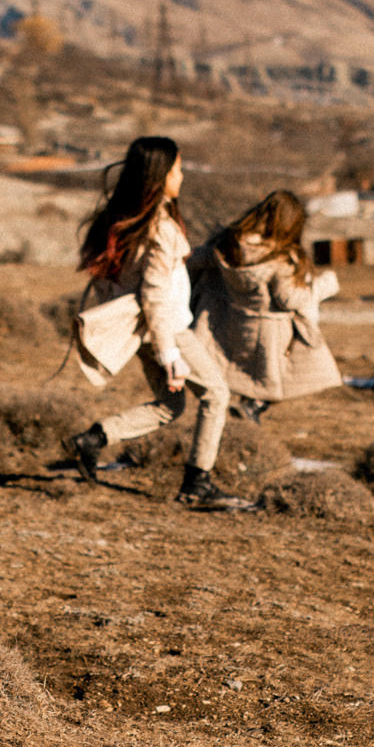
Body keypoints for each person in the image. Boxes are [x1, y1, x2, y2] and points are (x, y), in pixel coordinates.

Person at [63, 136, 240, 508]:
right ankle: (198, 482)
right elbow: (156, 295)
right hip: (168, 330)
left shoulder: (121, 221)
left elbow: (113, 282)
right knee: (216, 394)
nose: (182, 176)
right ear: (159, 176)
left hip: (147, 332)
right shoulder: (160, 228)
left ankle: (92, 441)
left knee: (170, 405)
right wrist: (170, 352)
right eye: (176, 169)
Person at [193, 189, 343, 421]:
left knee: (232, 381)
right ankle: (253, 405)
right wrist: (324, 286)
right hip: (269, 337)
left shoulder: (227, 244)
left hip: (229, 324)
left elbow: (193, 260)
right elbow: (290, 300)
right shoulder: (280, 259)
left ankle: (247, 407)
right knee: (297, 371)